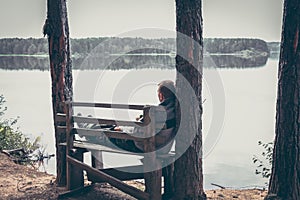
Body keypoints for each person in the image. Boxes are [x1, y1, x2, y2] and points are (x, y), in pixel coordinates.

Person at [110, 80, 176, 153]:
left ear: (161, 95)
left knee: (105, 135)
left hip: (145, 146)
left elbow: (137, 132)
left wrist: (122, 129)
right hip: (164, 148)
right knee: (108, 127)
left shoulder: (156, 112)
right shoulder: (174, 110)